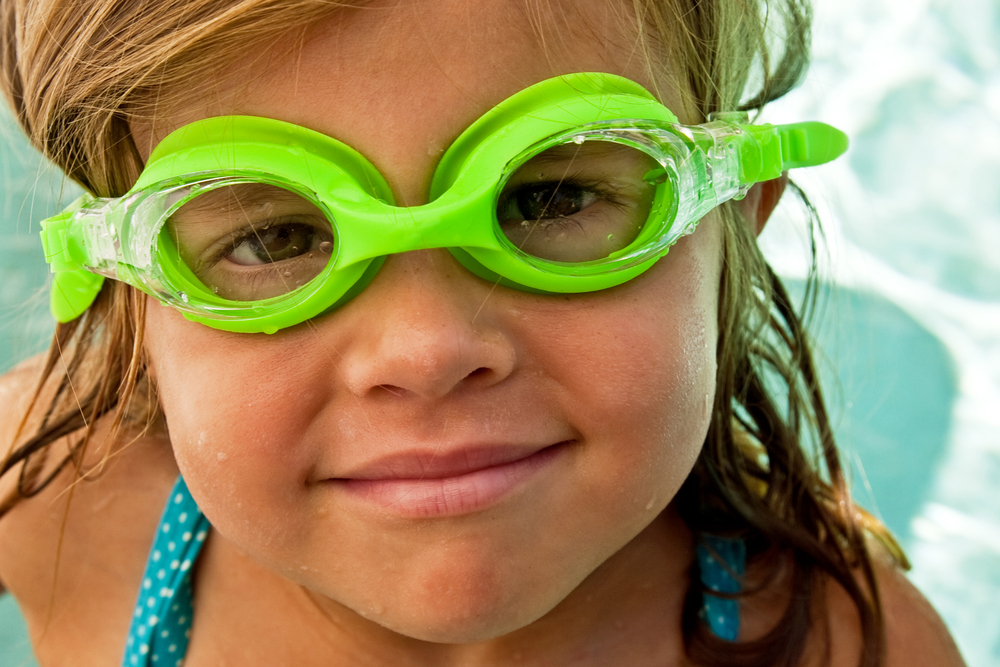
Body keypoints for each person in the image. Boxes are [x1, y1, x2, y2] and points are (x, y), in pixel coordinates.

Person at [0, 0, 967, 665]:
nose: (425, 350)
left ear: (734, 224)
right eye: (273, 238)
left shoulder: (852, 648)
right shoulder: (59, 505)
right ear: (129, 293)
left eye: (549, 198)